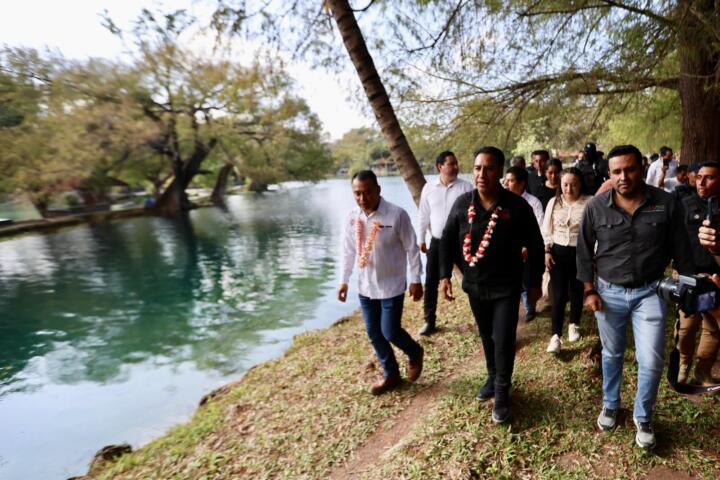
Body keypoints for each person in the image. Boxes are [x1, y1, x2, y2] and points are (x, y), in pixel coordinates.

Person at [576, 144, 695, 449]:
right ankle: (611, 404)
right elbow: (584, 252)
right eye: (616, 171)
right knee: (612, 354)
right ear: (609, 174)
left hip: (650, 292)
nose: (623, 176)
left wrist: (690, 285)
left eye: (630, 169)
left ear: (642, 168)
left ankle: (643, 417)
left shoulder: (666, 204)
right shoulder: (595, 207)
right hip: (608, 293)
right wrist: (589, 290)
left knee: (651, 361)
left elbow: (682, 249)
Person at [439, 146, 544, 423]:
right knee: (486, 335)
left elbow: (535, 243)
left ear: (499, 172)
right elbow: (448, 240)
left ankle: (502, 391)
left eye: (489, 168)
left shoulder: (517, 206)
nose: (482, 174)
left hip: (507, 286)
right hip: (475, 286)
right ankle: (491, 376)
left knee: (504, 337)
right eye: (477, 168)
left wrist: (534, 284)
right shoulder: (462, 204)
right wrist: (443, 276)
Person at [338, 170, 425, 395]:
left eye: (367, 192)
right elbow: (348, 252)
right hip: (365, 286)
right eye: (357, 193)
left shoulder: (396, 215)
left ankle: (415, 352)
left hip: (392, 284)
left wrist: (416, 279)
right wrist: (343, 281)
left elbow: (411, 248)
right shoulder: (351, 217)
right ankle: (391, 374)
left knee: (390, 331)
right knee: (374, 333)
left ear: (378, 190)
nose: (362, 198)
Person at [417, 151, 473, 335]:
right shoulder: (428, 188)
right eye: (451, 164)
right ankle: (429, 320)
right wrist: (420, 239)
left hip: (460, 243)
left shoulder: (466, 188)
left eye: (456, 163)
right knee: (431, 281)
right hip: (437, 242)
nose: (456, 167)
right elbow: (423, 215)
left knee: (473, 278)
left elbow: (474, 216)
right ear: (439, 166)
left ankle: (482, 315)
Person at [677, 161, 720, 385]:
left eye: (709, 177)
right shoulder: (684, 204)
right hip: (690, 277)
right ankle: (684, 364)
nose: (702, 182)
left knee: (712, 327)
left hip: (715, 278)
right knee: (687, 326)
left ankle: (702, 372)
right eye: (699, 176)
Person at [541, 168, 592, 353]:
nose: (569, 189)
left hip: (580, 253)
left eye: (573, 184)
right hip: (558, 253)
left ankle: (574, 324)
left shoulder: (589, 202)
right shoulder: (554, 202)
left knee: (577, 290)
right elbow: (546, 229)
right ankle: (555, 336)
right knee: (559, 295)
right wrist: (547, 251)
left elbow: (593, 231)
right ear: (560, 185)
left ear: (580, 185)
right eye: (565, 185)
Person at [504, 166, 544, 322]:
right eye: (505, 180)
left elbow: (538, 227)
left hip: (529, 248)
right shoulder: (502, 201)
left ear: (521, 184)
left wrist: (526, 245)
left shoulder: (533, 202)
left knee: (527, 278)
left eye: (511, 181)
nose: (506, 184)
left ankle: (530, 307)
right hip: (509, 249)